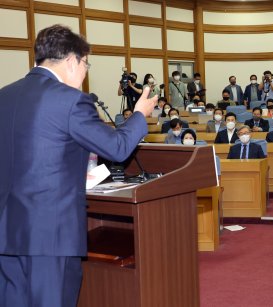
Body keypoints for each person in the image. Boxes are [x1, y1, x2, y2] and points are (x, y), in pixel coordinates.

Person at [0, 25, 156, 307]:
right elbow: (117, 148)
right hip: (50, 236)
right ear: (72, 61)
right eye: (86, 64)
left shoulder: (4, 96)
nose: (85, 73)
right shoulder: (71, 101)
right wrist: (139, 116)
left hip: (6, 232)